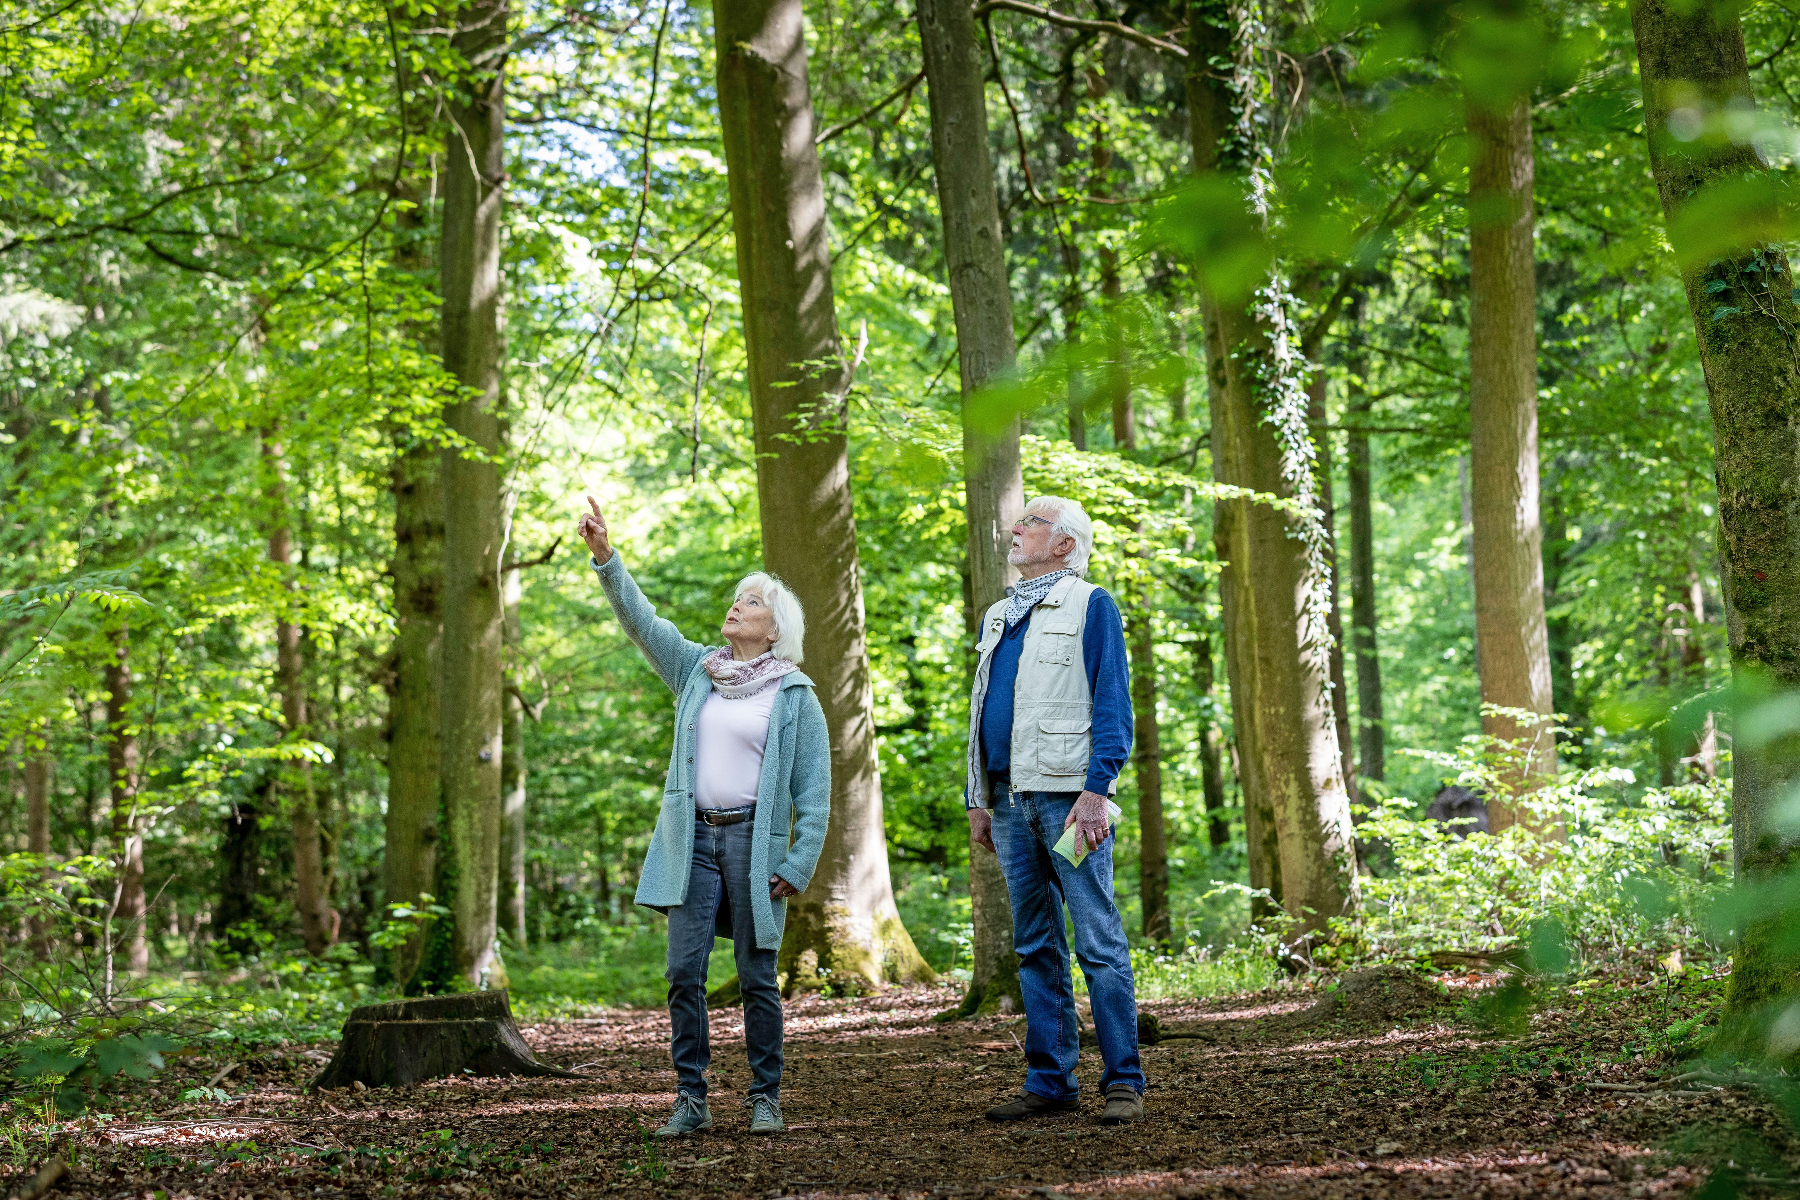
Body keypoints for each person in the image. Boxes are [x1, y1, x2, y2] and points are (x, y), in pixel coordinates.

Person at [577, 496, 831, 1138]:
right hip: (691, 840)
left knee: (756, 973)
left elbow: (816, 792)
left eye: (752, 602)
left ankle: (764, 1098)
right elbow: (643, 623)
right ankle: (691, 1099)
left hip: (755, 844)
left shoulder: (795, 695)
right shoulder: (698, 671)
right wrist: (606, 558)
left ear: (775, 630)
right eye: (737, 598)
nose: (736, 605)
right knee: (682, 972)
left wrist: (797, 864)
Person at [964, 495, 1145, 1125]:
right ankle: (1050, 1080)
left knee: (1096, 938)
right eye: (1017, 521)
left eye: (1031, 523)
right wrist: (979, 800)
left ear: (1064, 543)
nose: (1015, 529)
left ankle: (1124, 1080)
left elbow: (1112, 704)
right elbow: (983, 714)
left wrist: (1098, 790)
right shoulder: (997, 616)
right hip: (1009, 800)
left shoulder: (1092, 604)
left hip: (1071, 800)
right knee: (1034, 944)